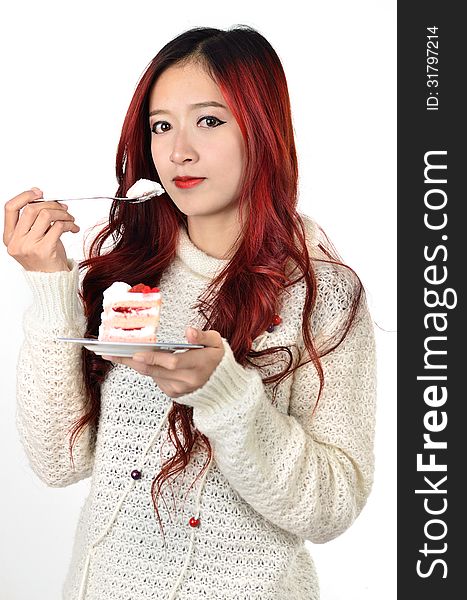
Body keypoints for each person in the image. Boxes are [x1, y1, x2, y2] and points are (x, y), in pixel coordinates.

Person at [3, 25, 376, 600]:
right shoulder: (128, 272)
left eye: (209, 120)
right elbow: (61, 461)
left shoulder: (323, 293)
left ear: (262, 131)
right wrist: (50, 284)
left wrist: (228, 397)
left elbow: (331, 508)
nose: (180, 151)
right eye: (161, 126)